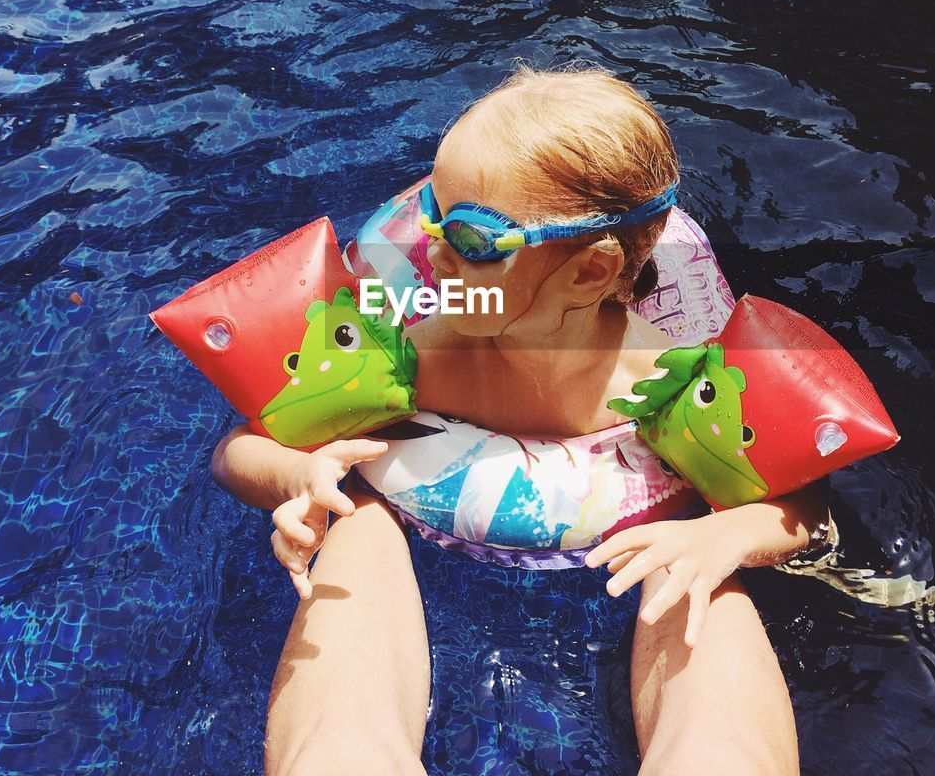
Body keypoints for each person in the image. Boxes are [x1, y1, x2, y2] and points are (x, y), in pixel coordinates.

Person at [212, 62, 829, 776]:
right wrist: (297, 474)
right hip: (410, 538)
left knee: (694, 578)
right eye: (432, 217)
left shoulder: (670, 380)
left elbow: (803, 506)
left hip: (636, 557)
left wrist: (731, 533)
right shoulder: (426, 352)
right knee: (360, 517)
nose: (429, 250)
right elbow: (237, 451)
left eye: (473, 241)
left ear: (591, 274)